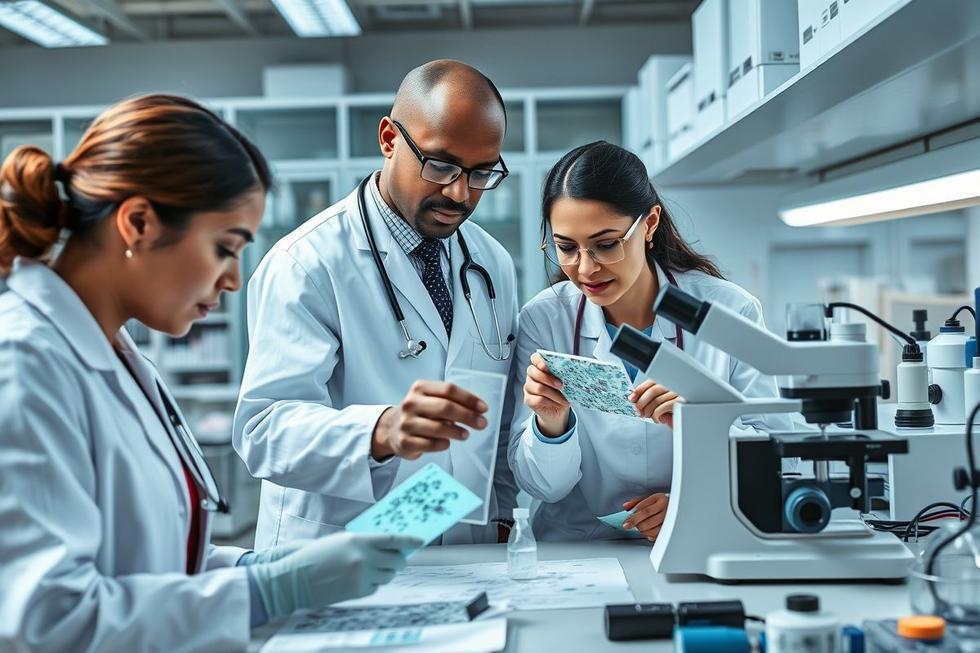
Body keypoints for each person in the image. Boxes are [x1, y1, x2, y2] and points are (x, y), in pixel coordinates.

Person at [0, 94, 418, 653]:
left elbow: (146, 557)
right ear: (139, 223)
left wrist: (250, 565)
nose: (232, 280)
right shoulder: (24, 366)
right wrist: (266, 590)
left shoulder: (115, 356)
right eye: (226, 247)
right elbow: (49, 622)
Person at [233, 60, 519, 548]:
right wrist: (381, 430)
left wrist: (503, 515)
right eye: (441, 165)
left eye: (481, 173)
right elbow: (264, 430)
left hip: (461, 545)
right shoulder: (307, 263)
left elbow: (501, 418)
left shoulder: (490, 261)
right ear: (389, 138)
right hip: (336, 551)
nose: (459, 192)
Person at [508, 141, 796, 542]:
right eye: (566, 248)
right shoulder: (544, 319)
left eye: (606, 244)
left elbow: (782, 458)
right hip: (577, 550)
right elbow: (543, 486)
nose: (586, 268)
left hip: (697, 540)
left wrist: (698, 444)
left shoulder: (727, 310)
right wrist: (550, 425)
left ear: (649, 224)